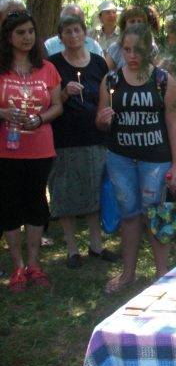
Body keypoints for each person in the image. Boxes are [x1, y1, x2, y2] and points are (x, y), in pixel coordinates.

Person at [96, 23, 176, 293]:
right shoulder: (110, 80)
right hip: (120, 157)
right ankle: (128, 274)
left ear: (150, 50)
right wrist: (102, 119)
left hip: (155, 159)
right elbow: (100, 121)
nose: (132, 55)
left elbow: (172, 123)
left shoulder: (163, 80)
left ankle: (161, 274)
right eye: (127, 49)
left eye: (139, 50)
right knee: (129, 215)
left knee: (155, 213)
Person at [0, 10, 64, 292]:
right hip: (7, 149)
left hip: (40, 148)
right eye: (20, 33)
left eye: (30, 32)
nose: (27, 37)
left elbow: (57, 106)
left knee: (36, 202)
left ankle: (35, 263)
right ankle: (17, 267)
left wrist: (40, 118)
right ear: (8, 37)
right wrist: (4, 112)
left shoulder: (47, 68)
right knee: (11, 204)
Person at [48, 14, 117, 268]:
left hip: (95, 136)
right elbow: (49, 103)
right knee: (65, 193)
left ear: (85, 33)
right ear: (60, 37)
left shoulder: (99, 63)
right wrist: (65, 93)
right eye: (68, 32)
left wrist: (106, 115)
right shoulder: (53, 64)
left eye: (77, 31)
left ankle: (96, 246)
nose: (73, 36)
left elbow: (107, 94)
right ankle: (72, 249)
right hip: (65, 137)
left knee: (94, 191)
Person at [104, 6, 159, 70]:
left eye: (140, 21)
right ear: (124, 25)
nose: (136, 24)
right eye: (132, 21)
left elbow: (155, 73)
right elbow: (106, 74)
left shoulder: (151, 47)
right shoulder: (115, 49)